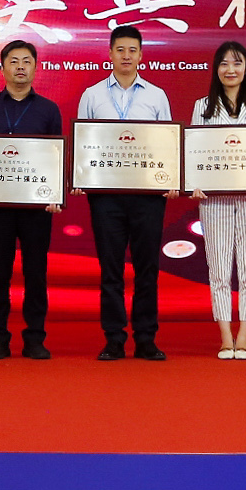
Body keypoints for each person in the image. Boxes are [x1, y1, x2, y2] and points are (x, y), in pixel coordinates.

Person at [77, 24, 177, 361]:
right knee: (111, 270)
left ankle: (146, 338)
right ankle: (114, 339)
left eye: (132, 50)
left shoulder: (156, 96)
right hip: (106, 197)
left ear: (141, 56)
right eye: (120, 50)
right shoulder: (92, 95)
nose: (126, 56)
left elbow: (167, 143)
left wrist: (171, 178)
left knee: (147, 268)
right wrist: (80, 175)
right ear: (109, 54)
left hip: (148, 196)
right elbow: (83, 144)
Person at [0, 39, 62, 360]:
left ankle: (35, 338)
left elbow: (56, 157)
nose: (20, 67)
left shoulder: (48, 109)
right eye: (13, 61)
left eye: (26, 61)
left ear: (36, 68)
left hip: (37, 207)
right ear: (2, 67)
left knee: (36, 273)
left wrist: (55, 194)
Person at [189, 41, 246, 360]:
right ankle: (225, 337)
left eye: (237, 63)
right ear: (216, 70)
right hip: (214, 201)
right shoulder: (202, 106)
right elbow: (194, 153)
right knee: (219, 270)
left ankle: (244, 337)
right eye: (224, 64)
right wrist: (193, 183)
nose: (230, 69)